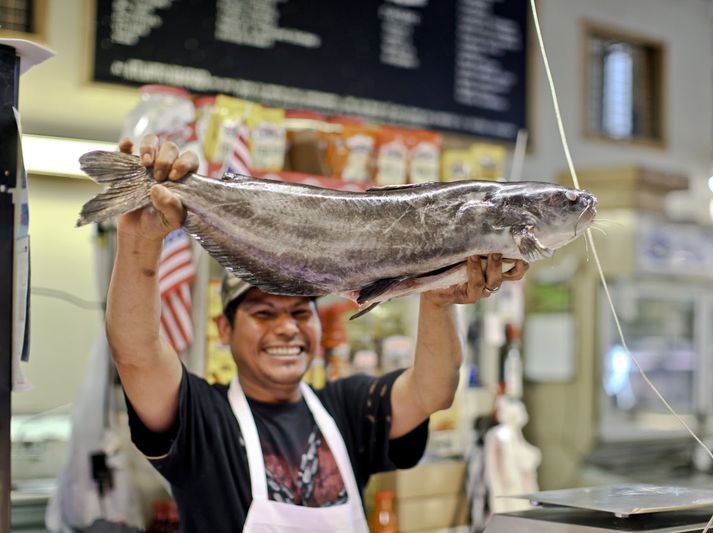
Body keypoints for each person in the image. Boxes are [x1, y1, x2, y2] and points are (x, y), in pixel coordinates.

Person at [107, 134, 529, 532]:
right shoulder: (202, 420)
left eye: (300, 312)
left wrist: (437, 297)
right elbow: (136, 353)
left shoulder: (346, 409)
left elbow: (432, 392)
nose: (287, 328)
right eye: (264, 313)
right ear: (225, 328)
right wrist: (138, 241)